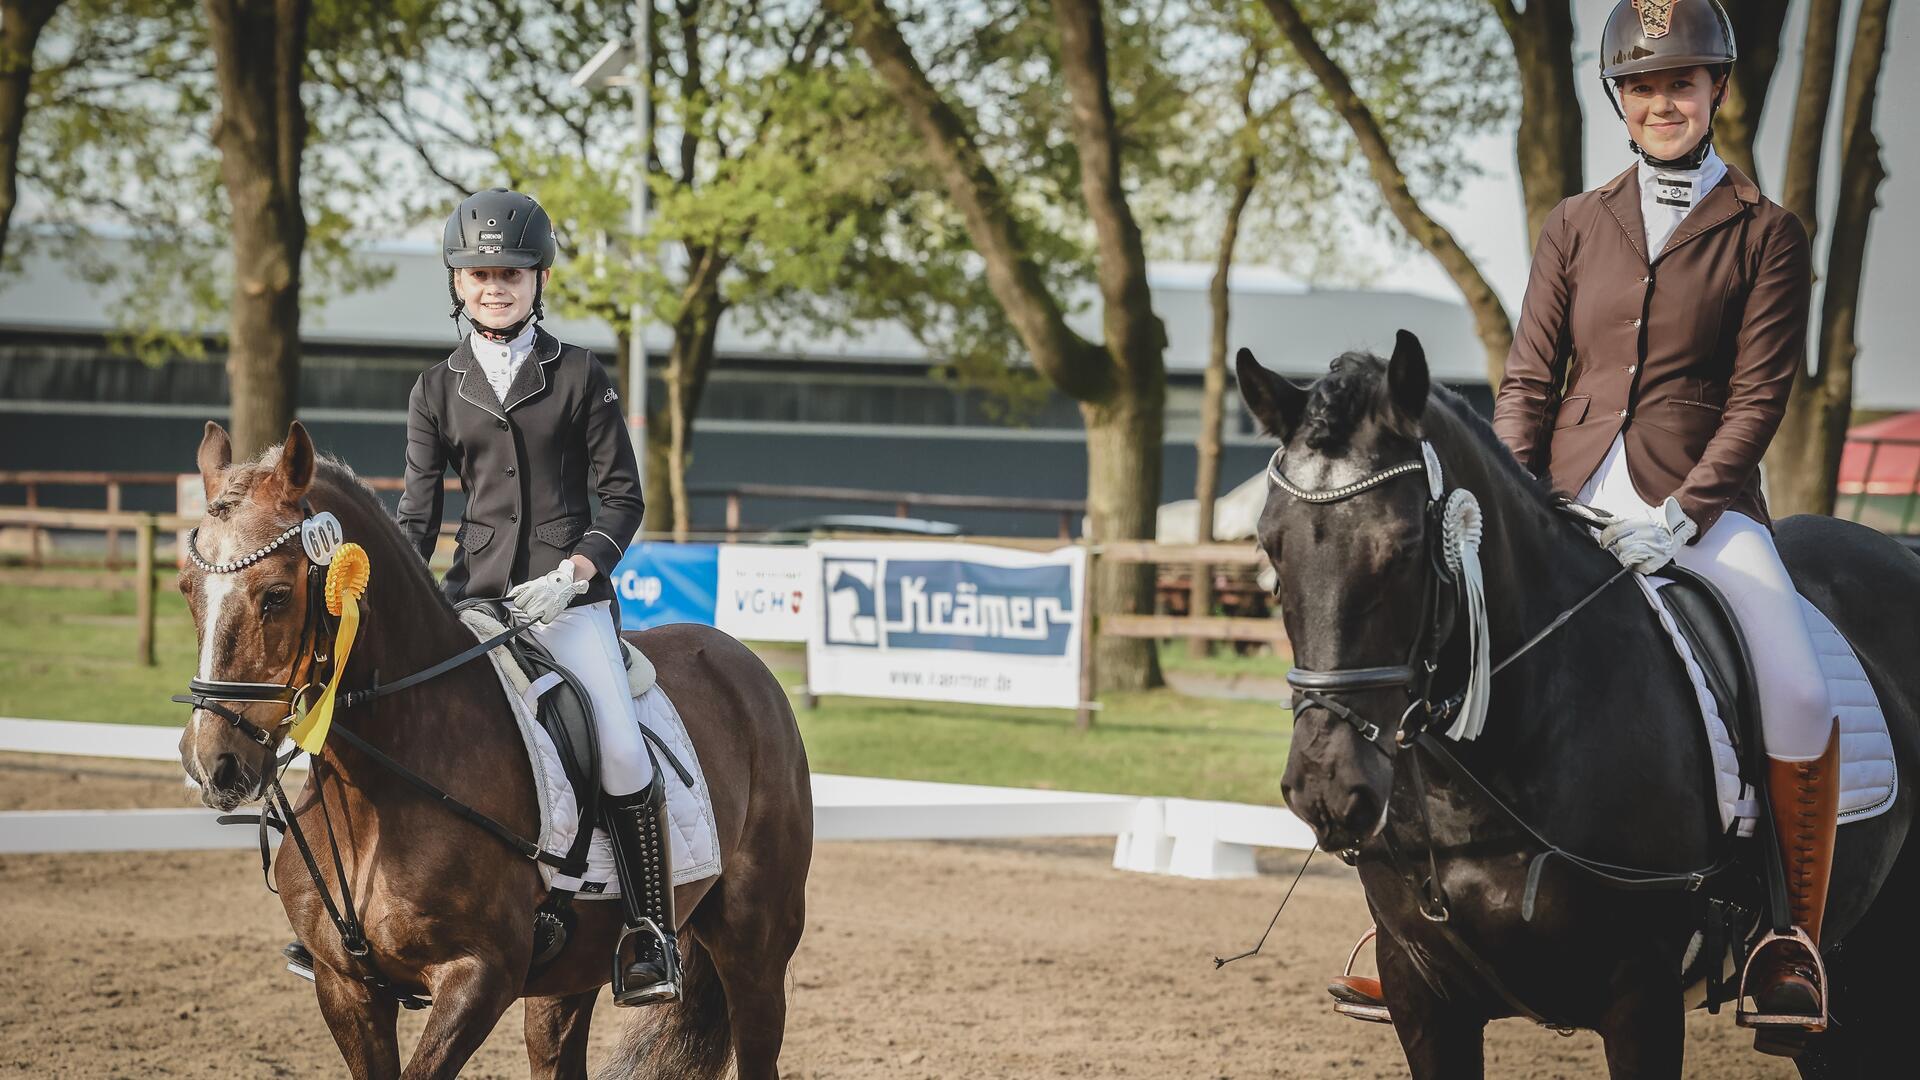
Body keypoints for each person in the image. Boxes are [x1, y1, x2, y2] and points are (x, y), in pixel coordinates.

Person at [1328, 0, 1835, 1046]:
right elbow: (1527, 377)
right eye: (1644, 87)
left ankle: (1789, 936)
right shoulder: (1575, 222)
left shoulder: (1768, 232)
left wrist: (1688, 512)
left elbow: (1758, 398)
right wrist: (1507, 498)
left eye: (1682, 84)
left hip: (1703, 503)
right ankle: (1406, 926)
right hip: (1563, 496)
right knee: (1442, 649)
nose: (1663, 101)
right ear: (1620, 98)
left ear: (1716, 94)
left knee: (1794, 679)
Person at [391, 188, 679, 1006]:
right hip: (472, 604)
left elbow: (622, 499)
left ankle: (650, 932)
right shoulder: (434, 388)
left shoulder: (581, 373)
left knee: (621, 749)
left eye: (511, 274)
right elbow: (417, 517)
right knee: (378, 720)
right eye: (481, 273)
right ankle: (358, 922)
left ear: (538, 279)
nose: (496, 286)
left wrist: (577, 571)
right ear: (458, 283)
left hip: (568, 604)